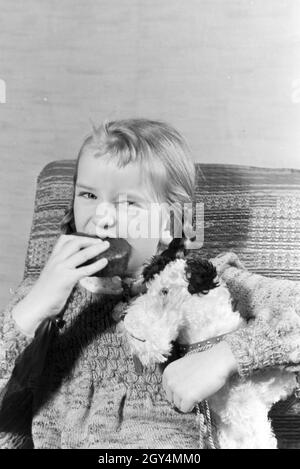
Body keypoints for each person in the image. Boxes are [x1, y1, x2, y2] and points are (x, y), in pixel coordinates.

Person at [0, 118, 298, 449]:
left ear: (173, 220)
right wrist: (31, 310)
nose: (102, 217)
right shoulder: (46, 292)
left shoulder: (201, 281)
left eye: (129, 202)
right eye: (87, 194)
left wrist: (223, 358)